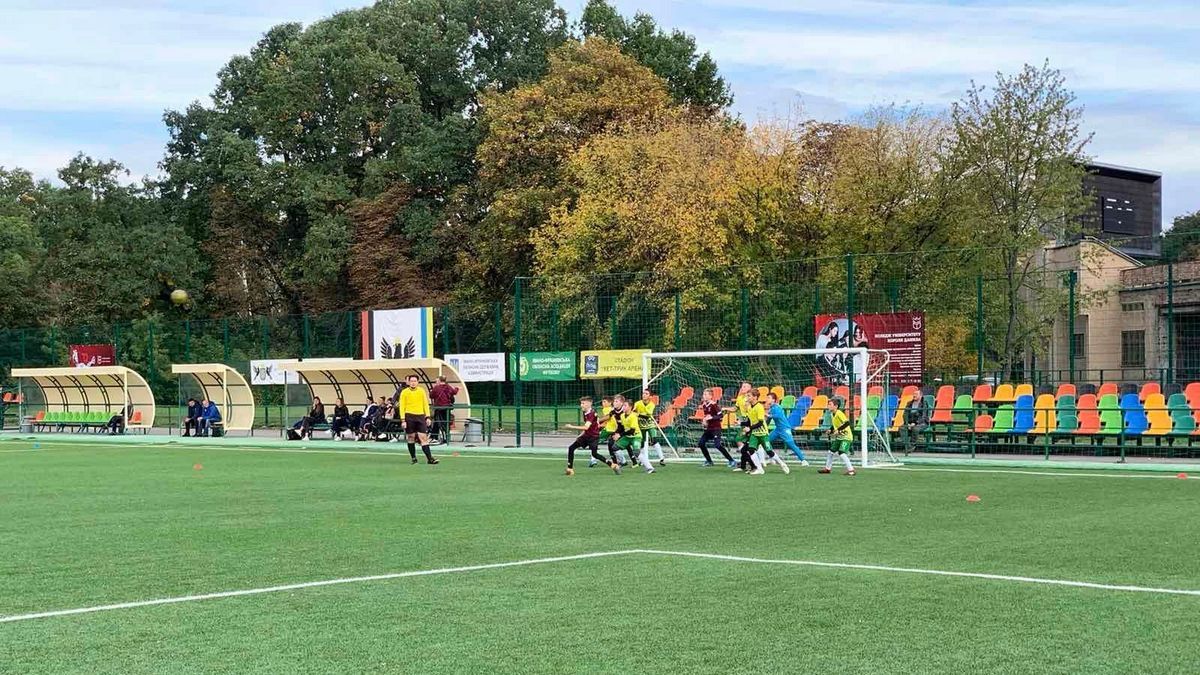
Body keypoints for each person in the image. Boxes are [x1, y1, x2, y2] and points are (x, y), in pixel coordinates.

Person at [562, 397, 619, 475]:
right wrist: (581, 435)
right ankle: (570, 469)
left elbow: (586, 427)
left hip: (593, 437)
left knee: (594, 454)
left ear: (589, 404)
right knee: (571, 448)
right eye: (581, 403)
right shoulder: (585, 412)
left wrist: (571, 426)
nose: (581, 405)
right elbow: (589, 427)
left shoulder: (591, 414)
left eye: (583, 403)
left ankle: (612, 465)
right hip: (586, 436)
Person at [743, 390, 788, 475]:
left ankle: (782, 464)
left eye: (749, 396)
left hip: (763, 433)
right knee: (751, 450)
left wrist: (749, 428)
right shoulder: (749, 407)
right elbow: (750, 421)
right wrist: (741, 423)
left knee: (769, 451)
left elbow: (760, 423)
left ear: (755, 397)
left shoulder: (759, 407)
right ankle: (760, 469)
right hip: (755, 434)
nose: (747, 398)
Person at [398, 375, 438, 464]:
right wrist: (403, 420)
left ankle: (430, 458)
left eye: (415, 381)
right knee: (411, 437)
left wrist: (427, 417)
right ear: (408, 382)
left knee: (423, 437)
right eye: (411, 381)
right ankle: (413, 458)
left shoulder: (421, 391)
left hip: (420, 416)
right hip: (409, 416)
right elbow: (402, 406)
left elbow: (425, 404)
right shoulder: (404, 392)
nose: (413, 382)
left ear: (418, 382)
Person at [612, 395, 654, 474]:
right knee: (614, 447)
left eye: (625, 405)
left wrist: (620, 435)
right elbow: (622, 427)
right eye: (623, 405)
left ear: (630, 407)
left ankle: (650, 468)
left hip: (636, 436)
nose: (623, 407)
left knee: (636, 453)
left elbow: (632, 430)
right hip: (627, 437)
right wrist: (616, 434)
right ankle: (623, 461)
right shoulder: (622, 416)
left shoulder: (633, 416)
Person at [766, 392, 809, 466]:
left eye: (769, 398)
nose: (767, 399)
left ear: (774, 400)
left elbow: (778, 416)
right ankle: (772, 457)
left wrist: (768, 415)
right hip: (778, 429)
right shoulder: (771, 408)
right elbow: (769, 419)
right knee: (766, 441)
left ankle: (803, 460)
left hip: (785, 429)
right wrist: (765, 426)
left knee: (791, 445)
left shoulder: (777, 407)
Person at [697, 388, 735, 468]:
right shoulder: (704, 405)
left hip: (716, 428)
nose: (704, 396)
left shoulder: (714, 405)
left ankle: (731, 460)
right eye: (703, 394)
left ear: (711, 396)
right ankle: (709, 461)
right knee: (701, 443)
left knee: (717, 445)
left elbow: (720, 415)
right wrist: (705, 421)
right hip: (709, 429)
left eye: (706, 394)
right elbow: (707, 416)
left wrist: (711, 418)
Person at [819, 397, 857, 476]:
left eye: (830, 404)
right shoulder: (832, 414)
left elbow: (847, 423)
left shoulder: (839, 413)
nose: (828, 406)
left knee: (841, 453)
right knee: (831, 452)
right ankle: (827, 469)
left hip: (846, 437)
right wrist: (831, 430)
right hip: (840, 437)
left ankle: (851, 470)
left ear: (835, 406)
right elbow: (835, 425)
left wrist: (838, 430)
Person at [722, 381, 754, 472]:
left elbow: (752, 411)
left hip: (751, 423)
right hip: (745, 422)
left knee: (744, 442)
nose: (742, 388)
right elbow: (735, 409)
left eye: (745, 386)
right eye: (742, 386)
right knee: (741, 441)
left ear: (749, 389)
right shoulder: (740, 398)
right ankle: (746, 463)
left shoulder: (750, 399)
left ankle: (752, 463)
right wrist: (726, 409)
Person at [633, 389, 667, 466]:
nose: (644, 395)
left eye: (646, 393)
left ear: (650, 396)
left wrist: (638, 414)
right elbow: (633, 411)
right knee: (641, 443)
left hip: (650, 424)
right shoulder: (637, 403)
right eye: (643, 393)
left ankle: (662, 458)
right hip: (641, 426)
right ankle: (643, 460)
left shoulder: (651, 404)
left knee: (654, 440)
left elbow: (647, 416)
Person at [429, 376, 459, 444]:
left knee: (437, 422)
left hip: (438, 408)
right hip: (446, 408)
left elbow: (431, 395)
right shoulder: (448, 386)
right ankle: (446, 437)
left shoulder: (436, 388)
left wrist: (431, 391)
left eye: (436, 381)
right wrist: (457, 388)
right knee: (446, 422)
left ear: (439, 380)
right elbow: (454, 392)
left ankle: (434, 437)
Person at [597, 396, 622, 465]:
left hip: (609, 429)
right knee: (611, 445)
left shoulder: (606, 409)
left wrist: (598, 423)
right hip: (615, 429)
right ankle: (619, 461)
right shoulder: (612, 409)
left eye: (605, 402)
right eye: (602, 402)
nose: (603, 403)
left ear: (610, 403)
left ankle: (593, 460)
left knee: (594, 440)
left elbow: (607, 419)